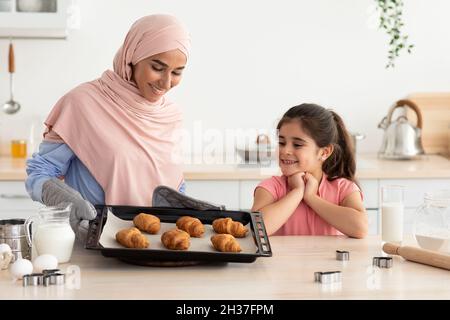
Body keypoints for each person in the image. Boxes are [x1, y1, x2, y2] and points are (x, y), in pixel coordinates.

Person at [25, 14, 191, 239]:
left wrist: (185, 204)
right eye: (157, 67)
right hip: (95, 243)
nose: (166, 82)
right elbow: (39, 172)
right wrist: (63, 198)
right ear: (132, 57)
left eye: (177, 72)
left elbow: (170, 182)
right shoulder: (82, 103)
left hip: (156, 246)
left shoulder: (171, 115)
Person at [251, 103, 368, 238]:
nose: (285, 150)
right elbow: (256, 229)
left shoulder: (343, 189)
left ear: (324, 152)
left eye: (297, 144)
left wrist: (311, 197)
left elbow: (361, 228)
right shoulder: (270, 187)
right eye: (281, 143)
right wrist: (297, 192)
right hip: (282, 260)